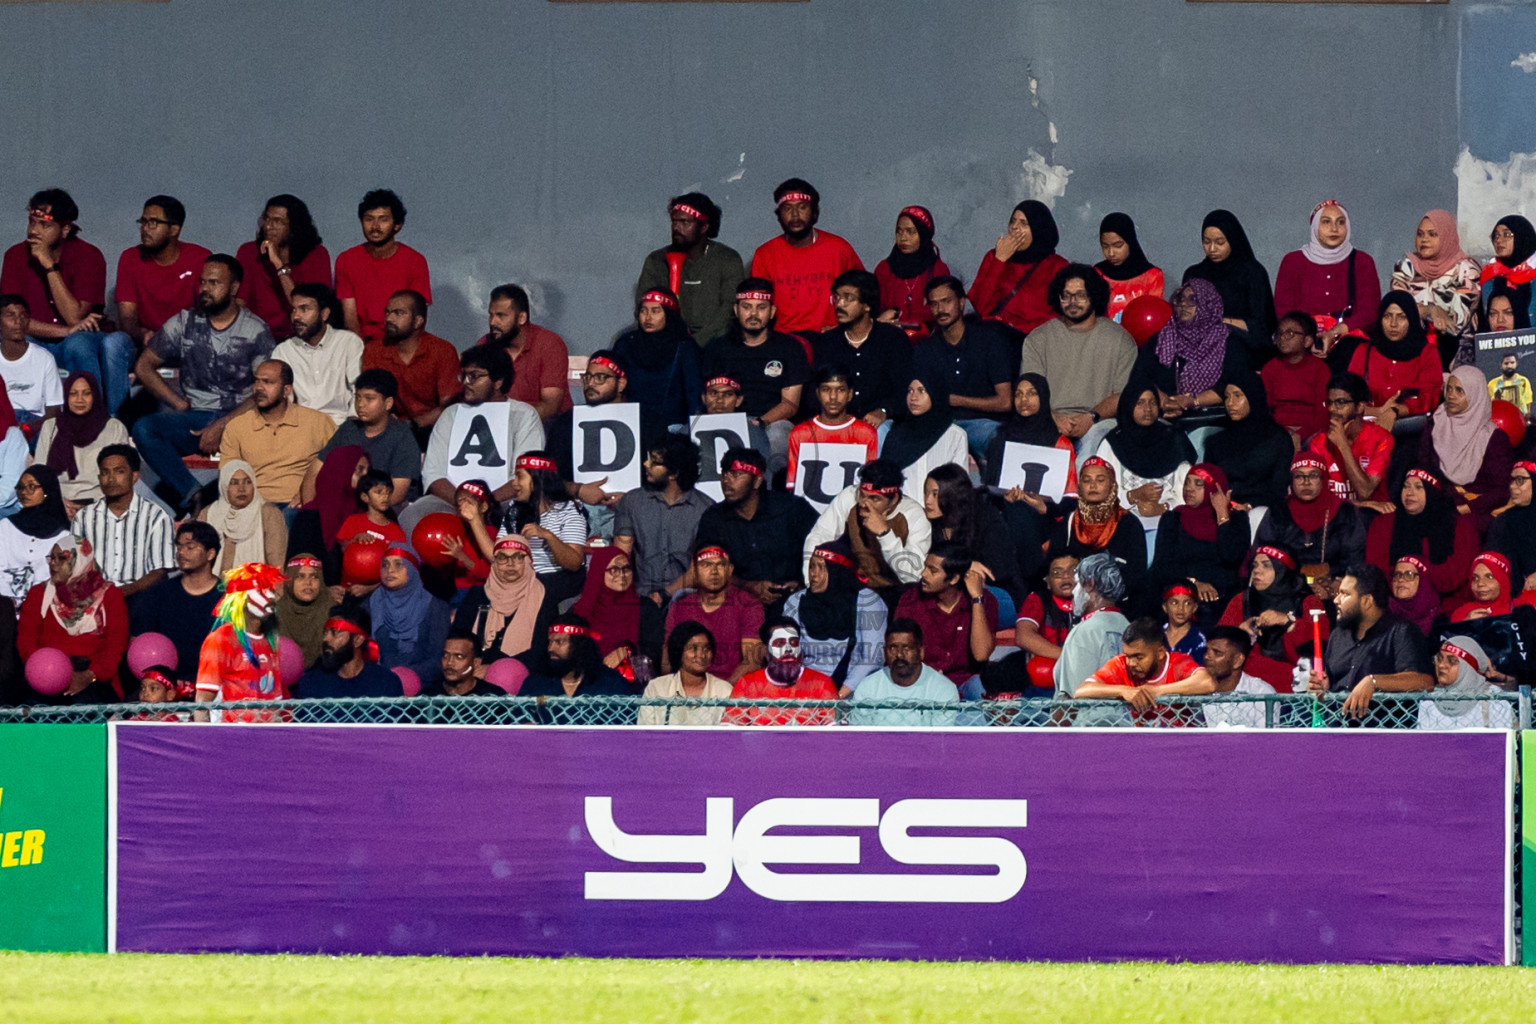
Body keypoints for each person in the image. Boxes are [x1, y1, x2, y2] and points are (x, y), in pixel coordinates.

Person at [132, 254, 275, 515]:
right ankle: (194, 494)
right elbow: (144, 365)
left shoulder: (255, 330)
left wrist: (222, 426)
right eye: (203, 282)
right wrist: (176, 402)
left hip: (242, 420)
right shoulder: (185, 321)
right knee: (144, 429)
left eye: (214, 283)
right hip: (196, 418)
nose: (205, 289)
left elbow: (264, 390)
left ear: (233, 288)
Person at [0, 189, 134, 415]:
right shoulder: (15, 255)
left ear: (65, 229)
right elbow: (14, 321)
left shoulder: (89, 256)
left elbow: (75, 316)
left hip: (81, 340)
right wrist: (68, 330)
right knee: (14, 342)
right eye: (32, 222)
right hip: (37, 338)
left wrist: (49, 265)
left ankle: (96, 421)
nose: (34, 231)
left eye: (44, 226)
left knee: (79, 344)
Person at [1018, 264, 1138, 442]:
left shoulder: (1120, 339)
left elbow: (1124, 395)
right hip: (1048, 420)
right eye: (1066, 296)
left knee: (1098, 437)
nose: (1072, 302)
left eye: (1080, 295)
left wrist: (1092, 418)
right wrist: (1054, 419)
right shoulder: (1038, 338)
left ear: (1094, 296)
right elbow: (1029, 392)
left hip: (1099, 422)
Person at [700, 279, 810, 468]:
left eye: (761, 307)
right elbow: (706, 395)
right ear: (736, 310)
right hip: (724, 418)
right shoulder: (717, 347)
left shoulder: (790, 348)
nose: (753, 314)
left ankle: (771, 493)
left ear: (772, 311)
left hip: (770, 421)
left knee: (779, 433)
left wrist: (759, 423)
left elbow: (790, 404)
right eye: (746, 307)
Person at [420, 345, 542, 508]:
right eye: (463, 376)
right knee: (414, 513)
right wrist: (463, 503)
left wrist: (486, 503)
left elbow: (526, 474)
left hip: (505, 501)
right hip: (452, 501)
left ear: (498, 382)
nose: (465, 383)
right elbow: (433, 473)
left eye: (474, 376)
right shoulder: (451, 414)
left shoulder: (523, 414)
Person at [1307, 564, 1432, 720]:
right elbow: (1330, 685)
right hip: (1338, 731)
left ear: (1366, 601)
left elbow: (1423, 681)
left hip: (1384, 734)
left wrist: (1374, 682)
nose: (1336, 600)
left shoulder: (1401, 631)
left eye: (1344, 594)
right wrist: (1323, 688)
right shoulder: (1338, 635)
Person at [694, 447, 817, 605]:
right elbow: (705, 569)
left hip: (795, 598)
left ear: (757, 480)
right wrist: (749, 586)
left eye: (736, 475)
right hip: (737, 603)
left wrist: (802, 582)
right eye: (724, 474)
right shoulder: (714, 518)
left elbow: (820, 548)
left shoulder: (791, 509)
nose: (726, 481)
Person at [18, 535, 128, 703]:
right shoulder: (38, 594)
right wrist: (51, 673)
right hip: (46, 674)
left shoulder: (110, 595)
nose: (53, 564)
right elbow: (26, 643)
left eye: (61, 558)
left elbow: (115, 646)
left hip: (93, 677)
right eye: (51, 558)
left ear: (80, 561)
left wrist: (89, 676)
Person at [912, 275, 1014, 455]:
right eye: (934, 304)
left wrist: (956, 400)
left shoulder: (989, 341)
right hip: (940, 424)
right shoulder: (925, 349)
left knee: (1000, 441)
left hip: (983, 424)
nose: (940, 309)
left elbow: (1005, 402)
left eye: (946, 301)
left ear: (961, 302)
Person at [803, 459, 931, 600]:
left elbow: (913, 576)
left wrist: (885, 534)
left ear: (893, 499)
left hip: (895, 594)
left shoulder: (914, 516)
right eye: (862, 495)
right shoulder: (849, 497)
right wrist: (810, 583)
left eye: (874, 499)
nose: (864, 503)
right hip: (853, 589)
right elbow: (820, 535)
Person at [749, 179, 864, 335]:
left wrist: (843, 328)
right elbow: (759, 306)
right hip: (784, 342)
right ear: (778, 216)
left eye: (802, 207)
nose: (795, 215)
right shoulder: (765, 254)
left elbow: (864, 294)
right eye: (788, 208)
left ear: (815, 213)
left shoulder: (839, 248)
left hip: (832, 338)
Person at [218, 360, 337, 506]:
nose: (259, 388)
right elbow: (229, 475)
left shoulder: (318, 422)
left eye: (268, 382)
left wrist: (311, 493)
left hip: (302, 505)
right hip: (255, 506)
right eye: (256, 381)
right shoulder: (237, 426)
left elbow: (339, 467)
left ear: (287, 390)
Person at [1274, 200, 1381, 360]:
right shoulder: (1292, 262)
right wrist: (1308, 338)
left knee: (1348, 353)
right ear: (1315, 226)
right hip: (1302, 340)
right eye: (1326, 222)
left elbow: (1370, 312)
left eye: (1340, 222)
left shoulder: (1362, 262)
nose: (1334, 229)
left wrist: (1335, 332)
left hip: (1348, 340)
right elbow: (1283, 309)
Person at [613, 434, 713, 604]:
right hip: (639, 598)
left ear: (674, 473)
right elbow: (619, 556)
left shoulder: (706, 509)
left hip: (688, 599)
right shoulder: (632, 501)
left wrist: (663, 594)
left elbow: (700, 569)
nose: (646, 465)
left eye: (655, 462)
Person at [636, 193, 745, 346]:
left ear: (704, 227)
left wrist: (693, 344)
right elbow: (642, 308)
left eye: (685, 222)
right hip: (664, 348)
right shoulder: (656, 260)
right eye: (674, 221)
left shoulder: (728, 259)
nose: (676, 227)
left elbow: (729, 311)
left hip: (715, 347)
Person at [1217, 544, 1327, 692]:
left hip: (1295, 693)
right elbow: (1215, 649)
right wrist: (1238, 634)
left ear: (1282, 570)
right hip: (1247, 693)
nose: (1257, 570)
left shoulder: (1308, 602)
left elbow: (1320, 649)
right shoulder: (1242, 600)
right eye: (1254, 565)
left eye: (1266, 566)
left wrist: (1288, 622)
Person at [1365, 469, 1477, 613]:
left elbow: (1455, 577)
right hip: (1392, 604)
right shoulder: (1383, 524)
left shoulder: (1461, 527)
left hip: (1443, 607)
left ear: (1432, 492)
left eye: (1418, 487)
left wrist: (1417, 569)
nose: (1409, 493)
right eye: (1406, 486)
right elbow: (1376, 572)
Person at [812, 269, 912, 429]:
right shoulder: (827, 342)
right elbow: (815, 392)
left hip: (884, 422)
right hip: (836, 422)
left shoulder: (893, 340)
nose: (839, 304)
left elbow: (905, 391)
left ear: (866, 305)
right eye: (837, 297)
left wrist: (884, 411)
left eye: (848, 298)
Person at [1150, 465, 1248, 629]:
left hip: (1221, 597)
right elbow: (1162, 566)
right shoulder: (1173, 519)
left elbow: (1231, 557)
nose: (1189, 488)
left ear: (1214, 489)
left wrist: (1222, 515)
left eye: (1198, 484)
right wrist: (1193, 583)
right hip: (1180, 592)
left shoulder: (1237, 519)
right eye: (1187, 483)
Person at [894, 543, 998, 697]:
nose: (923, 574)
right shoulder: (911, 600)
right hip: (923, 680)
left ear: (954, 578)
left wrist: (977, 598)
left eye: (933, 571)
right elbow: (899, 651)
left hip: (966, 681)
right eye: (925, 567)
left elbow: (981, 654)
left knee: (981, 690)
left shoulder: (985, 601)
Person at [1135, 278, 1250, 417]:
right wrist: (1165, 400)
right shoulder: (1160, 338)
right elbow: (1140, 376)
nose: (1183, 304)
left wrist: (1193, 401)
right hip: (1164, 413)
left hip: (1212, 417)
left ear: (1208, 305)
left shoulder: (1229, 342)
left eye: (1192, 300)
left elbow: (1233, 383)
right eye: (1180, 299)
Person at [783, 541, 886, 694]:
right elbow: (788, 653)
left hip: (854, 691)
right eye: (812, 566)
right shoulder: (796, 602)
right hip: (807, 692)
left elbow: (873, 657)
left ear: (838, 571)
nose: (814, 574)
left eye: (822, 567)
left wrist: (839, 695)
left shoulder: (868, 601)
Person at [1416, 365, 1512, 529]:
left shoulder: (1494, 438)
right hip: (1438, 504)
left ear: (1476, 396)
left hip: (1476, 511)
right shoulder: (1435, 425)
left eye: (1460, 391)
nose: (1451, 395)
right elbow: (1423, 470)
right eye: (1449, 389)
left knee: (1464, 528)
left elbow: (1501, 490)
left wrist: (1465, 509)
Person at [129, 521, 224, 684]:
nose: (181, 553)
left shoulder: (229, 598)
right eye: (179, 547)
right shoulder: (158, 593)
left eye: (190, 547)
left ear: (211, 554)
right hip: (165, 687)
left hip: (216, 685)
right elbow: (138, 641)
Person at [72, 445, 174, 596]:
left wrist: (122, 593)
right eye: (105, 473)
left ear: (134, 477)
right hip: (94, 598)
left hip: (139, 596)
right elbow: (77, 567)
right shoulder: (84, 518)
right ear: (99, 478)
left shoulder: (156, 517)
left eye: (119, 472)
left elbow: (159, 570)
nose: (111, 479)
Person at [1071, 616, 1214, 725]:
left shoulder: (1177, 662)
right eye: (1128, 656)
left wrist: (1157, 691)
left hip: (1182, 744)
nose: (1132, 663)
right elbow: (1081, 691)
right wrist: (1123, 691)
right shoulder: (1121, 664)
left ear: (1159, 653)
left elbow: (1207, 682)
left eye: (1139, 657)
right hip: (1141, 744)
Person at [309, 368, 420, 507]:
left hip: (381, 511)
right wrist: (309, 509)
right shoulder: (348, 428)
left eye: (369, 399)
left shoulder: (402, 437)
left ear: (388, 403)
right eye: (358, 397)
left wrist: (361, 516)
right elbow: (315, 471)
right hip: (338, 505)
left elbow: (398, 492)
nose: (361, 404)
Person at [360, 289, 460, 444]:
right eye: (388, 312)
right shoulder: (374, 350)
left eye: (399, 313)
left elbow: (449, 406)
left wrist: (414, 424)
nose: (389, 318)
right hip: (389, 429)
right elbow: (371, 398)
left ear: (418, 321)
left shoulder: (442, 351)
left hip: (434, 430)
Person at [1045, 456, 1150, 601]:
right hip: (1071, 598)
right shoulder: (1069, 522)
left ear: (1112, 485)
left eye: (1100, 480)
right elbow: (1053, 565)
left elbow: (1136, 574)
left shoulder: (1129, 523)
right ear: (1079, 486)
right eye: (1087, 480)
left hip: (1116, 601)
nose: (1093, 486)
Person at [192, 563, 290, 718]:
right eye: (261, 591)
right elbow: (203, 702)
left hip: (265, 734)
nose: (270, 597)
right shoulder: (221, 639)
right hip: (230, 735)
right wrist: (206, 741)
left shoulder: (272, 641)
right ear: (241, 598)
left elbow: (275, 701)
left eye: (271, 590)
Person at [1253, 452, 1367, 584]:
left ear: (1323, 479)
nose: (1306, 482)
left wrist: (1331, 581)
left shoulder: (1345, 513)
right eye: (1299, 476)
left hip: (1333, 586)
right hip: (1286, 586)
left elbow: (1355, 562)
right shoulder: (1278, 512)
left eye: (1313, 475)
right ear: (1292, 480)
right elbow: (1264, 557)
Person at [114, 195, 211, 346]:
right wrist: (143, 334)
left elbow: (207, 313)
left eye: (153, 223)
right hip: (143, 341)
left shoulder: (200, 257)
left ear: (174, 230)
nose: (145, 228)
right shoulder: (130, 257)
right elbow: (127, 317)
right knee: (113, 343)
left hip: (187, 341)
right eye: (143, 222)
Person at [1096, 381, 1196, 528]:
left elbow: (1189, 494)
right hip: (1120, 521)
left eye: (1152, 403)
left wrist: (1163, 508)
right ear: (1128, 405)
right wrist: (1132, 496)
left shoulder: (1175, 440)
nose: (1147, 409)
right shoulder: (1113, 443)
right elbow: (1098, 492)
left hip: (1171, 521)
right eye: (1140, 403)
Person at [336, 189, 431, 344]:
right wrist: (362, 352)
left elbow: (417, 319)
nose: (375, 226)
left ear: (397, 225)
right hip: (362, 345)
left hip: (400, 344)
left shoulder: (414, 261)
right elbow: (350, 319)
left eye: (383, 219)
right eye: (369, 219)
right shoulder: (347, 260)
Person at [1391, 209, 1481, 368]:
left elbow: (1454, 323)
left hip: (1456, 355)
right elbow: (1397, 310)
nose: (1424, 239)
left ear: (1446, 237)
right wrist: (1429, 310)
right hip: (1411, 348)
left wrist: (1418, 311)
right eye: (1420, 234)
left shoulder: (1467, 270)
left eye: (1432, 234)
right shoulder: (1407, 266)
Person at [235, 195, 333, 341]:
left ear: (294, 227)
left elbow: (307, 308)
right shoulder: (249, 252)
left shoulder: (316, 255)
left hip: (302, 336)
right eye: (267, 219)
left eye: (277, 221)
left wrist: (277, 264)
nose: (268, 227)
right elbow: (240, 304)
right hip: (257, 338)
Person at [968, 200, 1069, 337]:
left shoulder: (1056, 266)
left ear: (1038, 228)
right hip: (993, 337)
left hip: (1033, 341)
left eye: (1024, 223)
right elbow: (981, 306)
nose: (1015, 227)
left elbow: (1061, 316)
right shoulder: (994, 257)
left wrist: (1016, 327)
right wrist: (999, 261)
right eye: (1012, 221)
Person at [663, 546, 764, 683]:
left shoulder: (748, 604)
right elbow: (667, 662)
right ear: (694, 571)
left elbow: (753, 661)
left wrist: (721, 697)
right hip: (687, 691)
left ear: (729, 570)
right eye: (706, 565)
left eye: (720, 565)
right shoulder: (679, 607)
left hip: (732, 692)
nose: (714, 572)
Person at [453, 534, 555, 669]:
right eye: (502, 558)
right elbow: (458, 640)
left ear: (529, 561)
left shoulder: (544, 598)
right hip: (474, 671)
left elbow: (541, 651)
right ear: (494, 562)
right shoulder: (478, 595)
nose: (510, 563)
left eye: (518, 557)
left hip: (521, 672)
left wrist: (496, 668)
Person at [270, 282, 364, 425]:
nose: (296, 316)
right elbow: (282, 400)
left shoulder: (348, 342)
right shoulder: (283, 351)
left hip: (342, 425)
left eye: (304, 309)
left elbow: (359, 389)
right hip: (300, 428)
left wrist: (350, 429)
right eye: (294, 310)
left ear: (324, 314)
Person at [1182, 209, 1276, 348]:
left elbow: (1261, 325)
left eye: (1220, 242)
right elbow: (1185, 317)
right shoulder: (1194, 274)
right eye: (1206, 242)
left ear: (1233, 240)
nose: (1212, 249)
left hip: (1243, 346)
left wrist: (1219, 323)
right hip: (1200, 347)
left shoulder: (1253, 273)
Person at [925, 462, 1018, 601]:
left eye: (935, 494)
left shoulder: (986, 517)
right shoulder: (930, 524)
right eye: (926, 493)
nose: (927, 501)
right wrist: (965, 566)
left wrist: (963, 566)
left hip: (995, 596)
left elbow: (999, 570)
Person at [1345, 291, 1443, 422]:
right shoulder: (1364, 352)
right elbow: (1347, 396)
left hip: (1410, 430)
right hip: (1366, 430)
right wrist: (1379, 412)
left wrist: (1397, 411)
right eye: (1387, 316)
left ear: (1412, 319)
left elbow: (1430, 398)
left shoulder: (1427, 353)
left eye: (1401, 317)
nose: (1393, 324)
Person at [613, 287, 703, 430]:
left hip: (674, 428)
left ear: (669, 314)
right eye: (644, 311)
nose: (648, 317)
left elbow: (694, 392)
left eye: (655, 311)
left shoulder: (685, 347)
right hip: (631, 425)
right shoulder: (625, 344)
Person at [34, 372, 127, 510]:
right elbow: (39, 474)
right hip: (56, 503)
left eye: (86, 393)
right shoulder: (51, 426)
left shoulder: (114, 428)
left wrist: (90, 508)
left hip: (99, 505)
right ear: (66, 396)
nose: (79, 399)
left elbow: (120, 478)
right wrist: (57, 503)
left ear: (95, 396)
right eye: (73, 394)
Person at [477, 283, 572, 419]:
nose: (493, 322)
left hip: (546, 427)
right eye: (490, 315)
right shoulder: (484, 345)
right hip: (497, 428)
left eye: (501, 316)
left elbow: (551, 406)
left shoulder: (550, 344)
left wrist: (509, 422)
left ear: (522, 318)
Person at [1202, 370, 1294, 510]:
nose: (1230, 403)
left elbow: (1278, 488)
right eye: (1227, 397)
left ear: (1253, 396)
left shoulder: (1278, 438)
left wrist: (1250, 506)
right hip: (1223, 510)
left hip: (1264, 510)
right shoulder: (1216, 442)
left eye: (1237, 396)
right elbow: (1210, 485)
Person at [721, 617, 839, 725]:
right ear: (766, 649)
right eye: (780, 643)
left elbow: (836, 733)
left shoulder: (822, 683)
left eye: (794, 642)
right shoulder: (748, 683)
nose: (788, 649)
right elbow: (729, 731)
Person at [505, 451, 587, 604]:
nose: (514, 483)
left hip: (560, 578)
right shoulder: (514, 510)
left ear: (539, 481)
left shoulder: (569, 510)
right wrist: (475, 520)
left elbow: (574, 563)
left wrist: (548, 536)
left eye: (520, 477)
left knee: (537, 593)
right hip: (522, 577)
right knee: (479, 592)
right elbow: (496, 555)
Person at [847, 619, 961, 726]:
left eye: (906, 648)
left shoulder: (943, 689)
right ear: (885, 652)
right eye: (893, 648)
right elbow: (860, 739)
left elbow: (940, 741)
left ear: (920, 652)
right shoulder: (867, 687)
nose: (899, 655)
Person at [785, 363, 880, 490]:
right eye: (826, 390)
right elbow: (793, 485)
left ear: (850, 394)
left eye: (840, 390)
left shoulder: (866, 433)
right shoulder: (800, 433)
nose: (833, 397)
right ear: (818, 393)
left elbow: (868, 483)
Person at [519, 616, 633, 719]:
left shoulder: (611, 683)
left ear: (579, 645)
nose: (550, 648)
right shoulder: (535, 683)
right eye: (550, 642)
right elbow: (519, 721)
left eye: (559, 642)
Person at [370, 543, 452, 686]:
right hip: (379, 685)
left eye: (398, 565)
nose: (390, 570)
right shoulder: (371, 603)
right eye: (385, 565)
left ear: (413, 569)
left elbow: (438, 660)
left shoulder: (436, 607)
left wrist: (405, 678)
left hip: (423, 689)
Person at [880, 372, 968, 505]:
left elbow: (960, 486)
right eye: (910, 391)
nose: (913, 397)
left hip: (943, 513)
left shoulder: (955, 435)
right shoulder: (895, 436)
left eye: (921, 391)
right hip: (903, 516)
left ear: (935, 394)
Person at [1305, 372, 1393, 504]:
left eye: (1340, 402)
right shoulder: (1319, 442)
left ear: (1360, 407)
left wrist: (1343, 446)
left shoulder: (1381, 439)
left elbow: (1365, 492)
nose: (1332, 409)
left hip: (1369, 516)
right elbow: (1316, 496)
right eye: (1329, 402)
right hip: (1334, 514)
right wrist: (1355, 504)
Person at [192, 457, 289, 576]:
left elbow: (276, 564)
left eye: (247, 482)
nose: (242, 489)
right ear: (224, 485)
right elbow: (199, 559)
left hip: (255, 588)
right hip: (213, 589)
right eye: (234, 483)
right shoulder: (209, 513)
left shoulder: (268, 513)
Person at [292, 604, 404, 699]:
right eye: (325, 632)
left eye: (335, 632)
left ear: (357, 640)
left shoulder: (386, 683)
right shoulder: (311, 683)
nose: (326, 639)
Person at [291, 446, 370, 575]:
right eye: (360, 470)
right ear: (342, 469)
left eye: (368, 471)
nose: (365, 476)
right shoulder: (309, 517)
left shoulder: (368, 512)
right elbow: (300, 567)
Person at [639, 621, 735, 725]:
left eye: (707, 649)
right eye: (693, 649)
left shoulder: (724, 691)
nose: (701, 655)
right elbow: (645, 736)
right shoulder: (657, 688)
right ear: (678, 651)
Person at [0, 465, 71, 603]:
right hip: (4, 604)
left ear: (46, 490)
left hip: (46, 604)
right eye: (20, 487)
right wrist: (10, 600)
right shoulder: (6, 526)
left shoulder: (64, 534)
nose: (24, 492)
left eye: (32, 487)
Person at [874, 206, 951, 332]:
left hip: (927, 342)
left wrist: (903, 317)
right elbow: (872, 308)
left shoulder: (938, 270)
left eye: (910, 232)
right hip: (888, 339)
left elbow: (942, 310)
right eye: (899, 231)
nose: (903, 238)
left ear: (923, 234)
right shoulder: (884, 269)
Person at [1259, 311, 1330, 445]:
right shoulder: (1270, 368)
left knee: (1319, 443)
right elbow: (1264, 411)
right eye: (1280, 333)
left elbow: (1323, 413)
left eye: (1290, 333)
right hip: (1278, 430)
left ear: (1307, 341)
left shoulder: (1320, 369)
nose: (1283, 338)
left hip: (1311, 431)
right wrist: (1285, 433)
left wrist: (1299, 435)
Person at [1419, 636, 1515, 730]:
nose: (1442, 665)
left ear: (1468, 667)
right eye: (1439, 659)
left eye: (1452, 661)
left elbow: (1504, 743)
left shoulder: (1494, 700)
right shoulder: (1428, 701)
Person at [573, 546, 644, 674]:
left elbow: (652, 651)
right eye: (614, 570)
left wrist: (625, 652)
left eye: (626, 569)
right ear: (599, 571)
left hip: (634, 683)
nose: (622, 575)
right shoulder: (580, 612)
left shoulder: (645, 607)